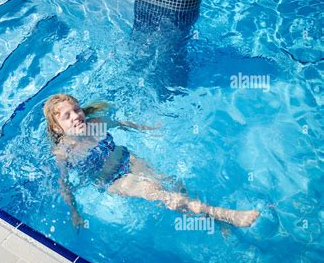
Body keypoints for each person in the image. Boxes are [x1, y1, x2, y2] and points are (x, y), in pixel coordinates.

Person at [43, 93, 260, 228]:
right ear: (56, 127)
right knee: (159, 193)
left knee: (172, 182)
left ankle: (211, 220)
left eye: (76, 110)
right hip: (113, 181)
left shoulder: (97, 123)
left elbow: (122, 124)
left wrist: (147, 129)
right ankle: (224, 215)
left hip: (127, 159)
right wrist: (74, 212)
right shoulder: (63, 153)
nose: (76, 116)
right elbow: (64, 183)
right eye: (67, 116)